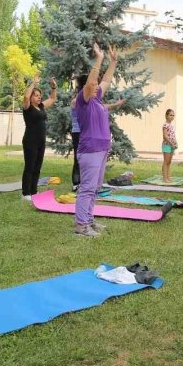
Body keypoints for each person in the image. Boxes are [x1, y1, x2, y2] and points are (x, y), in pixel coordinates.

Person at [73, 43, 117, 237]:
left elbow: (106, 80)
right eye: (92, 84)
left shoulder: (98, 98)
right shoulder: (83, 101)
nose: (96, 85)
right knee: (87, 188)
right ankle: (81, 226)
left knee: (95, 188)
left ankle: (89, 220)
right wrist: (99, 58)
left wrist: (113, 61)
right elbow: (92, 81)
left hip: (101, 148)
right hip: (90, 149)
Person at [21, 77, 57, 200]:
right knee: (30, 166)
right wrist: (34, 83)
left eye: (39, 95)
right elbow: (25, 97)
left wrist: (53, 87)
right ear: (31, 97)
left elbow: (52, 98)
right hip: (30, 140)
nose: (38, 97)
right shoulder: (27, 107)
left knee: (37, 167)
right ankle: (25, 193)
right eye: (36, 95)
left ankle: (34, 191)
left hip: (41, 141)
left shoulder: (41, 107)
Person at [160, 109, 178, 183]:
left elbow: (173, 136)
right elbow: (165, 136)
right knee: (166, 161)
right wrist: (171, 144)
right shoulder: (165, 125)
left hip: (172, 145)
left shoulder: (171, 125)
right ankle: (165, 178)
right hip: (167, 145)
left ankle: (168, 177)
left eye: (173, 115)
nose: (172, 117)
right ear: (166, 116)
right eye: (170, 115)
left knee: (169, 162)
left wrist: (176, 143)